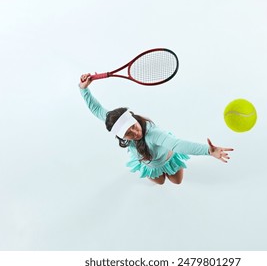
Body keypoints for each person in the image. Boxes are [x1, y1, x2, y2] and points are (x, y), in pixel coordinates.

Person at [79, 73, 234, 185]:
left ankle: (168, 169)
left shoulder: (153, 134)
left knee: (177, 181)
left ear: (134, 118)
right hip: (149, 164)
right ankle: (155, 172)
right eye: (128, 133)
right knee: (159, 182)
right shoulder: (113, 122)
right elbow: (97, 110)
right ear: (121, 136)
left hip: (167, 158)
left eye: (133, 126)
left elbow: (178, 144)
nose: (135, 133)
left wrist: (209, 151)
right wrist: (83, 88)